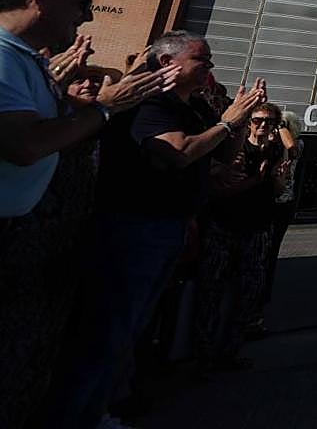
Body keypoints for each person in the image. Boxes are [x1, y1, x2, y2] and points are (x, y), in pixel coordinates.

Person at [47, 31, 265, 428]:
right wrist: (227, 123)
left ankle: (102, 410)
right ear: (167, 62)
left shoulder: (194, 108)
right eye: (202, 60)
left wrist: (237, 122)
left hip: (172, 226)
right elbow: (177, 153)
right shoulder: (151, 104)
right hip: (133, 227)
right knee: (108, 331)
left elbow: (220, 154)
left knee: (133, 328)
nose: (209, 69)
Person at [0, 0, 178, 429]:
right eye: (82, 3)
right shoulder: (3, 57)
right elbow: (24, 145)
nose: (88, 16)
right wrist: (106, 106)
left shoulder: (25, 61)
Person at [194, 101, 292, 371]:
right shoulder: (232, 149)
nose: (263, 126)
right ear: (249, 122)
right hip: (224, 227)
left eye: (270, 121)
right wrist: (255, 180)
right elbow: (220, 190)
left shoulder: (274, 151)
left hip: (257, 227)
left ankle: (230, 351)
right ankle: (204, 355)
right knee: (210, 292)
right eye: (258, 120)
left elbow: (274, 192)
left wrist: (277, 183)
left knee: (248, 293)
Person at [252, 108, 305, 337]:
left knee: (267, 255)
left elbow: (292, 150)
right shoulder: (263, 144)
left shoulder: (293, 145)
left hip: (280, 205)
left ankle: (257, 310)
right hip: (260, 203)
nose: (266, 126)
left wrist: (281, 125)